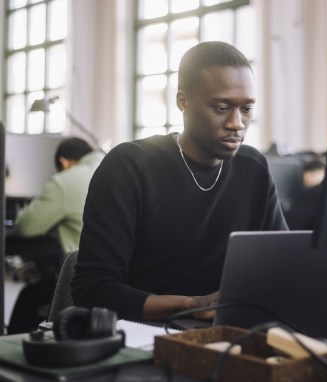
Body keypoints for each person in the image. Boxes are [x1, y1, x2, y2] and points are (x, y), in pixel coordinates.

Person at [71, 41, 288, 323]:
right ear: (183, 101)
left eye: (246, 109)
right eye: (222, 108)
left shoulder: (253, 168)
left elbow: (284, 265)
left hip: (226, 330)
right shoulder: (130, 166)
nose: (237, 123)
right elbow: (92, 290)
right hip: (146, 332)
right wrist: (192, 305)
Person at [14, 137, 105, 255]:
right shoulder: (116, 168)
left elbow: (25, 227)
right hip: (125, 267)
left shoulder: (64, 181)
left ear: (64, 162)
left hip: (88, 267)